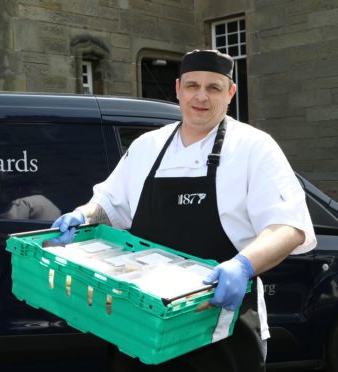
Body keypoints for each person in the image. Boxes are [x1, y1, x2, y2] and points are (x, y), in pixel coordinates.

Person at [50, 49, 316, 372]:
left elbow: (288, 226)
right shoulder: (147, 147)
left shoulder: (254, 148)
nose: (201, 97)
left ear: (231, 93)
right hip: (142, 327)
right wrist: (84, 216)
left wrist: (243, 265)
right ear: (178, 89)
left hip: (219, 330)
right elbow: (108, 205)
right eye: (192, 86)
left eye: (213, 88)